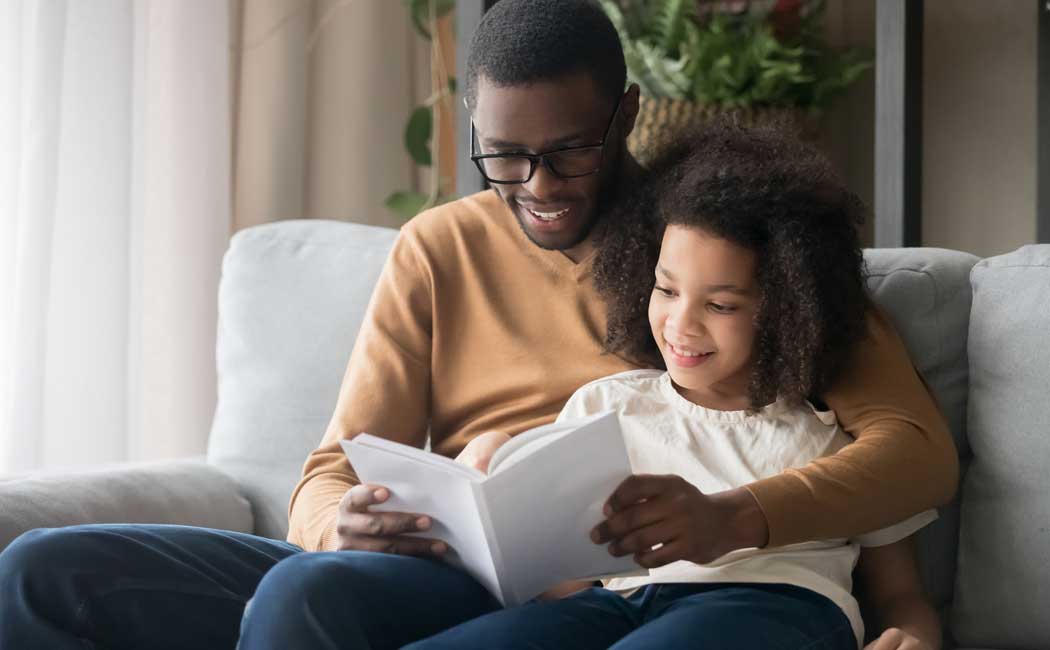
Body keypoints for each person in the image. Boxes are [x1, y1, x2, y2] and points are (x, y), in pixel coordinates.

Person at [0, 1, 955, 649]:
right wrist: (346, 522)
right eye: (504, 157)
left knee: (303, 600)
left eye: (566, 153)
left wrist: (735, 521)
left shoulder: (719, 243)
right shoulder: (436, 249)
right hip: (437, 568)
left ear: (623, 116)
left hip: (604, 583)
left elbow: (913, 454)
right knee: (43, 571)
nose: (535, 188)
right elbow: (334, 467)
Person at [404, 122, 941, 650]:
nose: (681, 324)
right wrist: (490, 486)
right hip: (617, 605)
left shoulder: (830, 436)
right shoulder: (606, 406)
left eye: (721, 305)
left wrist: (917, 631)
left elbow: (899, 593)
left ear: (788, 311)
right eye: (666, 289)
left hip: (774, 603)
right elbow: (563, 584)